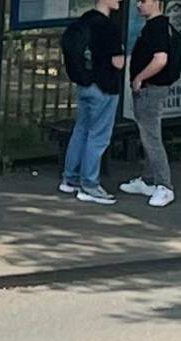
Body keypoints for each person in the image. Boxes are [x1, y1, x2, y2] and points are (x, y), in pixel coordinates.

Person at [60, 0, 129, 204]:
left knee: (81, 130)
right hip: (105, 87)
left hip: (85, 85)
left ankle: (70, 177)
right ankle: (89, 184)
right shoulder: (108, 27)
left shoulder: (84, 22)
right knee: (98, 136)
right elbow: (118, 62)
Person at [121, 0, 181, 207]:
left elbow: (160, 59)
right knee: (148, 133)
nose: (139, 5)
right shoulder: (162, 26)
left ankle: (164, 185)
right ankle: (148, 179)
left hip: (151, 87)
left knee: (151, 136)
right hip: (154, 87)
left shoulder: (156, 27)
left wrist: (139, 78)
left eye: (144, 1)